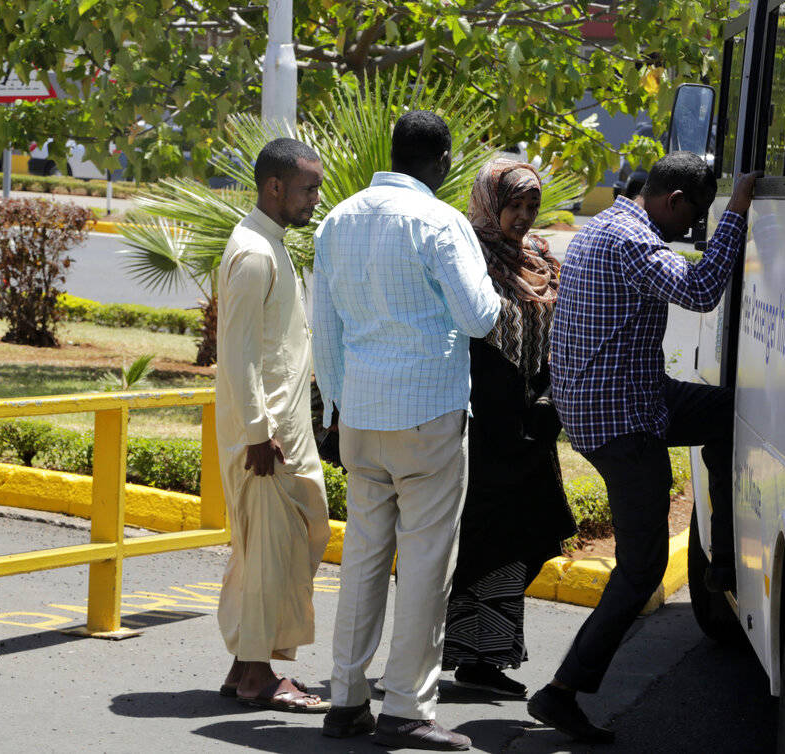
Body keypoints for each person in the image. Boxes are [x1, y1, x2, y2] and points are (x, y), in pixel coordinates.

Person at [526, 152, 760, 744]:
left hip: (622, 395)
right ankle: (561, 692)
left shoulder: (607, 222)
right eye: (695, 215)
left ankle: (723, 555)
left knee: (733, 413)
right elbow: (703, 290)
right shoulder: (633, 240)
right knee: (641, 569)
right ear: (675, 199)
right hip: (622, 419)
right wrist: (737, 209)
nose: (691, 229)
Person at [313, 110, 501, 750]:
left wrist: (335, 409)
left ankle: (344, 696)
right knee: (423, 563)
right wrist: (503, 292)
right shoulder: (442, 223)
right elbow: (478, 319)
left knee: (364, 556)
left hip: (361, 414)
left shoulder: (337, 219)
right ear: (443, 161)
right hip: (427, 415)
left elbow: (326, 331)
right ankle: (406, 708)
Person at [442, 159, 576, 697]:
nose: (521, 217)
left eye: (530, 207)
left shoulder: (540, 258)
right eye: (512, 206)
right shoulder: (465, 255)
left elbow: (558, 334)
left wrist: (547, 394)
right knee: (483, 540)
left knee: (522, 536)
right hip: (481, 424)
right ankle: (468, 657)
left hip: (530, 421)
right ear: (488, 203)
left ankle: (489, 655)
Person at [215, 137, 332, 714]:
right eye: (309, 187)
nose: (317, 197)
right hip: (266, 438)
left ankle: (245, 663)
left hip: (281, 428)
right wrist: (259, 433)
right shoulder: (256, 253)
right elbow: (236, 354)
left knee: (283, 542)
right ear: (275, 187)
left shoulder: (268, 243)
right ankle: (259, 674)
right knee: (270, 550)